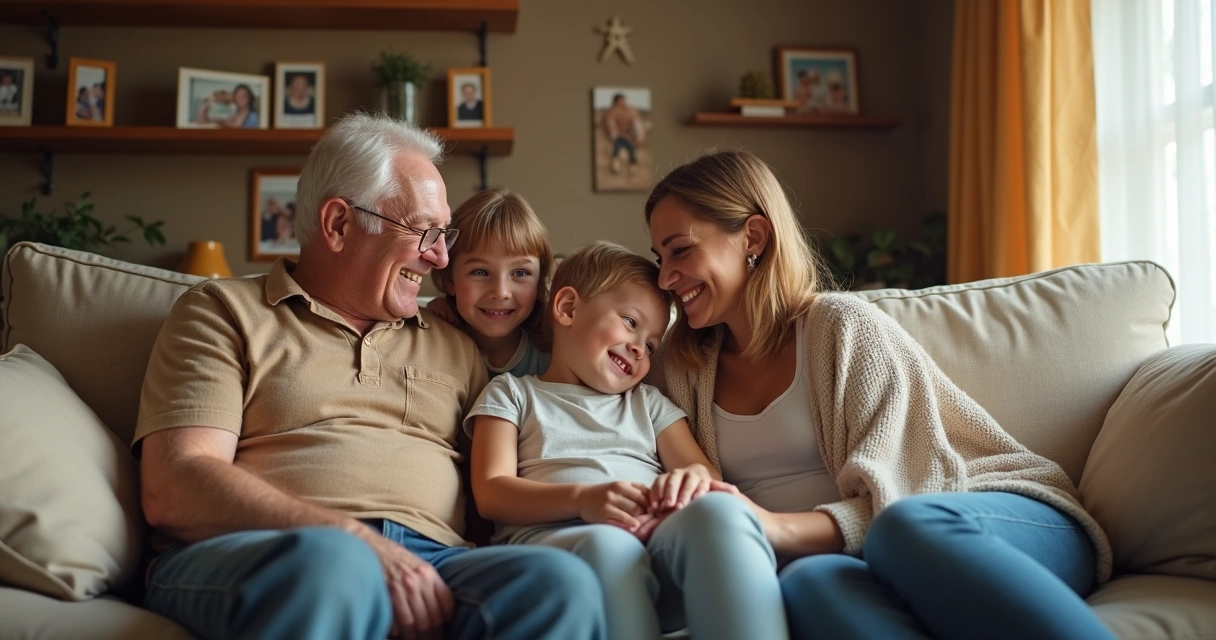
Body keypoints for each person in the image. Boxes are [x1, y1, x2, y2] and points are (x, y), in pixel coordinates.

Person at [133, 112, 605, 640]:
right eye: (424, 232)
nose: (440, 257)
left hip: (433, 561)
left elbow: (495, 490)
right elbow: (174, 484)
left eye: (444, 235)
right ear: (339, 224)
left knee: (558, 583)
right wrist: (352, 540)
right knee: (336, 566)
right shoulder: (223, 312)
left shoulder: (457, 343)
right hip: (267, 552)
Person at [644, 149, 1116, 640]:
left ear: (754, 237)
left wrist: (769, 527)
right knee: (807, 583)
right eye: (659, 258)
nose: (664, 278)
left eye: (681, 251)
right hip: (856, 558)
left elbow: (910, 492)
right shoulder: (677, 368)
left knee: (904, 527)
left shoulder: (841, 328)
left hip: (990, 517)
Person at [467, 241, 791, 640]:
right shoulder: (512, 394)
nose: (640, 348)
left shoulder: (648, 402)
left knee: (721, 512)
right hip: (557, 543)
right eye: (630, 322)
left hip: (653, 540)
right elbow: (491, 493)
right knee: (610, 546)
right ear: (567, 308)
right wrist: (582, 500)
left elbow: (705, 474)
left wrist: (685, 483)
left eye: (652, 345)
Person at [428, 189, 553, 378]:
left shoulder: (554, 355)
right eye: (480, 272)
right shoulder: (433, 342)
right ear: (448, 279)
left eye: (520, 273)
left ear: (540, 282)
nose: (500, 292)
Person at [604, 93, 644, 175]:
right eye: (620, 101)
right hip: (618, 136)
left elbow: (636, 123)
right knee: (616, 149)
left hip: (628, 136)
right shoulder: (612, 112)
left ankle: (632, 167)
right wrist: (613, 134)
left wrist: (639, 135)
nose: (622, 103)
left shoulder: (630, 111)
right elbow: (610, 123)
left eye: (622, 100)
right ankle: (615, 166)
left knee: (631, 150)